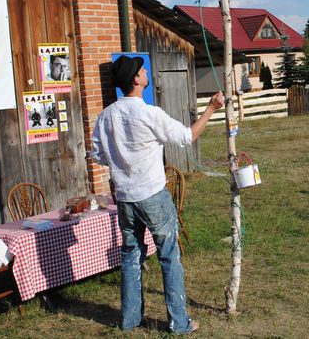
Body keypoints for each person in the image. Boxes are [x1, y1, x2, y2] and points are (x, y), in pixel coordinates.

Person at [90, 55, 224, 334]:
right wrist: (211, 107)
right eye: (142, 69)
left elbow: (99, 156)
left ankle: (130, 320)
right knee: (168, 256)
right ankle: (179, 323)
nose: (146, 70)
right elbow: (187, 137)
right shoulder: (150, 114)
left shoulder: (105, 117)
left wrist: (121, 159)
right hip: (152, 194)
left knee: (130, 256)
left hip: (125, 197)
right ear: (136, 80)